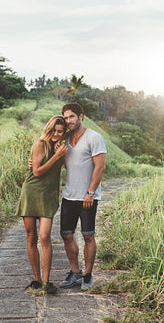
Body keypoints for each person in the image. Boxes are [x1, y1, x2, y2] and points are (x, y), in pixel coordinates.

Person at [17, 115, 68, 294]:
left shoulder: (63, 147)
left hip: (48, 195)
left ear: (64, 133)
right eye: (54, 130)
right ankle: (37, 280)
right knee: (31, 237)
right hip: (31, 191)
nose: (56, 133)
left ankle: (47, 282)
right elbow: (37, 172)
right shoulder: (40, 144)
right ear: (49, 128)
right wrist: (56, 157)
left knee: (45, 236)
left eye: (60, 131)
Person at [58, 102, 107, 291]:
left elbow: (100, 167)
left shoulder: (94, 137)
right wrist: (33, 162)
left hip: (88, 197)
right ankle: (75, 272)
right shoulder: (65, 139)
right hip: (69, 196)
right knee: (66, 234)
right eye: (66, 117)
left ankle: (87, 275)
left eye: (71, 116)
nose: (68, 120)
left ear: (81, 116)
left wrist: (91, 192)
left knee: (88, 236)